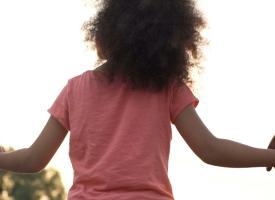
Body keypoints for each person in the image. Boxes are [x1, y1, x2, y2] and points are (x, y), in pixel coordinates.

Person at [0, 0, 275, 199]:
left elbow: (34, 159)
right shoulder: (167, 86)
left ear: (106, 33)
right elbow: (210, 149)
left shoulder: (75, 89)